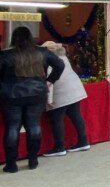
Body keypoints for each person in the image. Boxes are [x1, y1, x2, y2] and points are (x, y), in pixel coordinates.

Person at [0, 27, 64, 173]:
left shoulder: (6, 55)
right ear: (30, 37)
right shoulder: (42, 52)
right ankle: (33, 160)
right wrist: (49, 80)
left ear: (14, 38)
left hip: (11, 95)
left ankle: (11, 164)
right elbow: (60, 65)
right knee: (34, 126)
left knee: (12, 127)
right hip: (37, 93)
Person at [40, 41, 90, 156]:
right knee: (76, 115)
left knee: (57, 118)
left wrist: (49, 99)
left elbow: (48, 80)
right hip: (74, 88)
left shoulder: (49, 59)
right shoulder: (63, 56)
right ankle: (83, 141)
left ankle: (59, 147)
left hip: (60, 91)